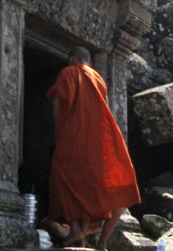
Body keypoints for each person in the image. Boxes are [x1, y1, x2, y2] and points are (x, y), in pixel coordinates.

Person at [45, 46, 141, 249]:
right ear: (89, 61)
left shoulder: (68, 72)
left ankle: (76, 230)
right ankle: (99, 242)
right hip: (98, 140)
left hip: (72, 136)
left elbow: (57, 102)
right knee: (91, 187)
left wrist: (58, 131)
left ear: (72, 59)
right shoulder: (99, 78)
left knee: (63, 178)